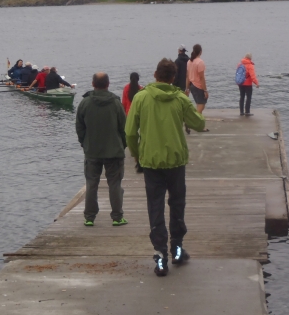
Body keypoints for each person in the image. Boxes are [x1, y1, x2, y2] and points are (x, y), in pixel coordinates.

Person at [126, 58, 206, 277]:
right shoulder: (180, 98)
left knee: (156, 207)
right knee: (177, 205)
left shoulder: (141, 98)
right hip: (176, 162)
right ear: (173, 78)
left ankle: (160, 255)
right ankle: (177, 249)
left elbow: (130, 132)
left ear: (154, 74)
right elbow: (199, 124)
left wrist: (137, 155)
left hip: (151, 163)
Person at [76, 73, 128, 227]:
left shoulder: (84, 103)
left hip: (92, 150)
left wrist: (84, 143)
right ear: (108, 84)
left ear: (93, 84)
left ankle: (89, 217)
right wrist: (122, 145)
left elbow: (79, 127)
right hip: (114, 151)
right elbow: (123, 128)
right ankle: (117, 217)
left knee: (91, 183)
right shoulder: (116, 103)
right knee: (114, 184)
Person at [185, 44, 209, 117]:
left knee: (198, 105)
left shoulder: (189, 61)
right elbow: (201, 77)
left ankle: (199, 124)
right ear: (200, 52)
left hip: (192, 85)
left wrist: (187, 88)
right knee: (201, 105)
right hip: (198, 86)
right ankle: (194, 120)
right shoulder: (200, 62)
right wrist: (205, 90)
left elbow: (188, 76)